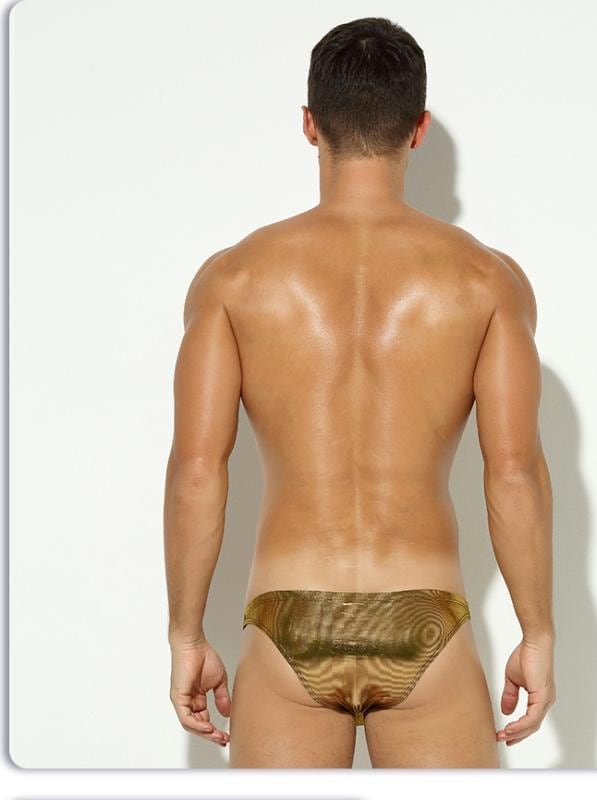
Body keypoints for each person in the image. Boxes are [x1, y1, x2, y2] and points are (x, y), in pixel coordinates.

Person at [163, 16, 555, 769]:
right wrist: (537, 634)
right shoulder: (487, 281)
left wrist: (186, 635)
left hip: (288, 616)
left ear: (310, 123)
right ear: (418, 128)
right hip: (425, 617)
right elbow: (513, 472)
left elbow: (196, 469)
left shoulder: (234, 278)